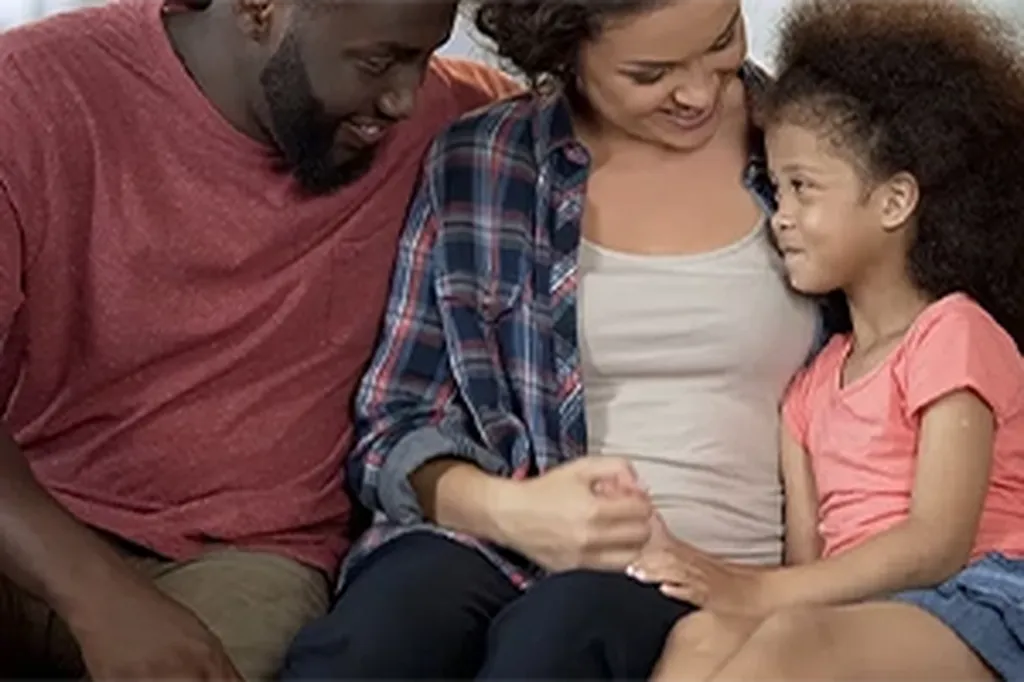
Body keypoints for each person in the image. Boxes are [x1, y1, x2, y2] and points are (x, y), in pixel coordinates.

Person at [281, 0, 821, 680]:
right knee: (376, 639)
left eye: (721, 42)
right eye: (650, 73)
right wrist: (516, 512)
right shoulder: (482, 162)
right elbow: (396, 424)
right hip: (489, 544)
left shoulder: (819, 150)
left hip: (702, 572)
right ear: (564, 55)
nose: (698, 91)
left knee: (562, 634)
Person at [0, 0, 516, 679]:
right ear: (258, 8)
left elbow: (623, 90)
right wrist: (96, 594)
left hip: (247, 556)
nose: (404, 98)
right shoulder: (33, 97)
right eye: (379, 61)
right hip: (31, 521)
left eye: (424, 56)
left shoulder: (458, 124)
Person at [636, 1, 1024, 680]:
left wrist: (752, 589)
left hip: (985, 595)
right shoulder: (810, 390)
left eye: (802, 188)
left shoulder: (952, 332)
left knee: (791, 643)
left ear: (894, 201)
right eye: (777, 190)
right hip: (863, 609)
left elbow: (938, 544)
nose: (779, 218)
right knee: (701, 640)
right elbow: (808, 565)